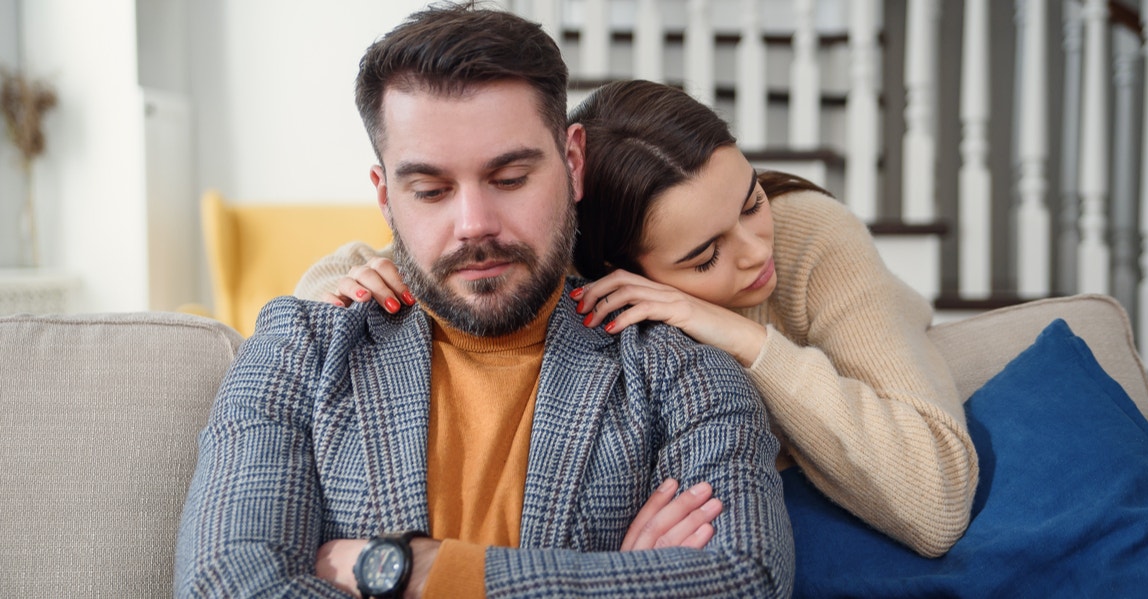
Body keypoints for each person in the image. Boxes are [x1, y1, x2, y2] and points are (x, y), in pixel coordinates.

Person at [174, 5, 793, 598]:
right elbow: (225, 585)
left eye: (509, 180)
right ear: (385, 196)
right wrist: (608, 581)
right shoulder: (299, 351)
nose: (474, 224)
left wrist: (413, 572)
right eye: (431, 190)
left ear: (573, 163)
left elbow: (744, 579)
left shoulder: (678, 370)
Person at [298, 79, 980, 559]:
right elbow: (355, 270)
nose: (754, 252)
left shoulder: (806, 237)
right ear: (617, 273)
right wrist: (347, 278)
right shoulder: (584, 288)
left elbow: (937, 498)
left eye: (748, 201)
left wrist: (742, 335)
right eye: (705, 254)